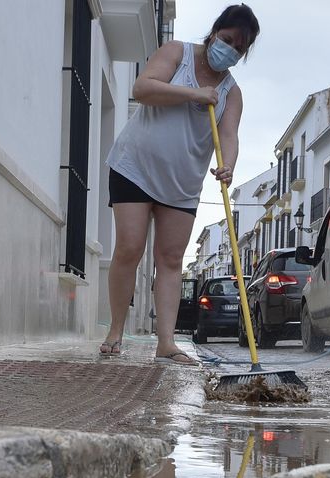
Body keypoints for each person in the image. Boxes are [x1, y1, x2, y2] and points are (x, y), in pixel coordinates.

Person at [99, 4, 259, 366]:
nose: (230, 50)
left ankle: (166, 342)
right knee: (129, 247)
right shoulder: (177, 53)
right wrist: (194, 94)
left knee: (170, 260)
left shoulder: (232, 92)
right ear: (215, 31)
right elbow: (143, 88)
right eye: (228, 39)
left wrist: (228, 165)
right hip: (135, 168)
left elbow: (230, 136)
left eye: (239, 48)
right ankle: (115, 331)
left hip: (182, 184)